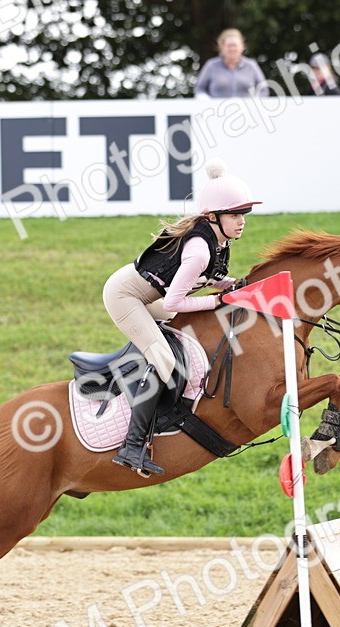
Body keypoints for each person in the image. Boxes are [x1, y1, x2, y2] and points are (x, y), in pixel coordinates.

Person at [102, 160, 260, 477]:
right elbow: (175, 300)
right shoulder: (200, 249)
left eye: (244, 214)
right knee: (164, 360)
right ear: (213, 217)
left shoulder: (219, 240)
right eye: (234, 214)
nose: (241, 221)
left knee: (184, 334)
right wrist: (219, 299)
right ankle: (132, 446)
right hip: (126, 297)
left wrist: (229, 285)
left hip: (151, 296)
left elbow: (208, 277)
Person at [195, 29, 269, 98]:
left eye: (235, 45)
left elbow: (264, 90)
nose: (232, 49)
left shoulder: (252, 65)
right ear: (221, 47)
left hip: (246, 110)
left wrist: (254, 102)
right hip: (217, 110)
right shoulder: (211, 66)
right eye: (229, 46)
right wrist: (205, 100)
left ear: (242, 47)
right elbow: (199, 89)